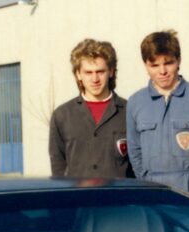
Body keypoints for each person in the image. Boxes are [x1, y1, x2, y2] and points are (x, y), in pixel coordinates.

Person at [126, 30, 189, 200]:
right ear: (145, 66)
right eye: (154, 65)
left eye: (168, 63)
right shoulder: (136, 102)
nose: (162, 71)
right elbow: (135, 151)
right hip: (153, 191)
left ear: (178, 61)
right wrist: (145, 182)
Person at [49, 39, 133, 179]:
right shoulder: (62, 115)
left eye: (100, 71)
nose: (95, 79)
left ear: (111, 72)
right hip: (79, 198)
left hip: (119, 198)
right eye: (88, 72)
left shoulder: (129, 111)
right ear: (78, 74)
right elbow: (58, 166)